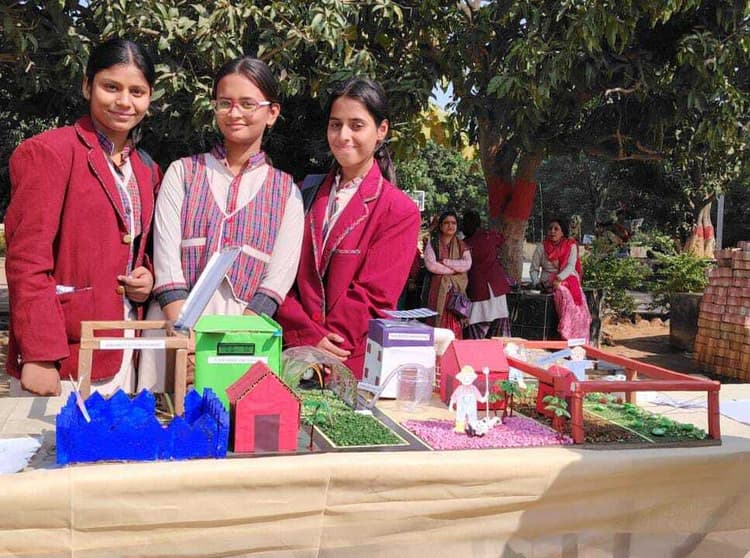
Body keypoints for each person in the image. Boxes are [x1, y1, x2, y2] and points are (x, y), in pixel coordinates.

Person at [5, 38, 161, 396]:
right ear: (87, 86)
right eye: (111, 87)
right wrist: (40, 354)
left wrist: (146, 277)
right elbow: (26, 260)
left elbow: (136, 247)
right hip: (64, 353)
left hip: (125, 347)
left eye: (137, 91)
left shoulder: (146, 169)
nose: (124, 101)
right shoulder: (50, 153)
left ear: (149, 98)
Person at [139, 56, 304, 391]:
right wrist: (186, 338)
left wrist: (231, 345)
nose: (235, 113)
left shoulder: (286, 191)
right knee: (163, 415)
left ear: (272, 112)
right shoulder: (183, 172)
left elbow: (278, 280)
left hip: (243, 332)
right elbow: (166, 261)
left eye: (248, 104)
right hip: (175, 323)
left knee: (231, 414)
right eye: (225, 103)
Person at [276, 77, 421, 379]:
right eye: (335, 125)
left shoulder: (398, 210)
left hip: (347, 363)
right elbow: (280, 274)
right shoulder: (303, 192)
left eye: (356, 125)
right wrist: (306, 334)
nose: (343, 136)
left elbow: (373, 296)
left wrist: (326, 343)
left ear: (381, 130)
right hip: (291, 350)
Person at [530, 217, 591, 341]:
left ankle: (577, 335)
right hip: (548, 281)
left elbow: (571, 266)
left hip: (567, 278)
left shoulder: (571, 245)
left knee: (574, 299)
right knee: (562, 292)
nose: (552, 231)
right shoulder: (541, 247)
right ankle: (566, 332)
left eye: (556, 229)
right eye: (550, 228)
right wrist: (536, 282)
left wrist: (559, 279)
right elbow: (533, 269)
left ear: (563, 232)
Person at [462, 210, 512, 339]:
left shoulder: (465, 244)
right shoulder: (490, 235)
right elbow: (502, 240)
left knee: (476, 328)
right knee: (500, 334)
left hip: (478, 289)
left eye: (464, 224)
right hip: (497, 289)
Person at [423, 210, 472, 339]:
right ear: (440, 226)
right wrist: (455, 269)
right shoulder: (433, 243)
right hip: (437, 292)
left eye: (453, 223)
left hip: (454, 297)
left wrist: (445, 262)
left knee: (454, 329)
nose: (450, 226)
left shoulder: (462, 245)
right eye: (446, 223)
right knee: (435, 326)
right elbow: (431, 265)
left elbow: (466, 264)